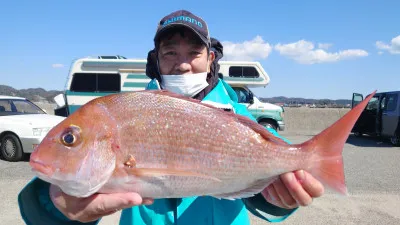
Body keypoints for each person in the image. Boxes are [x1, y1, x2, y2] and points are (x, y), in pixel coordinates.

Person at [18, 9, 324, 225]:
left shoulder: (240, 117)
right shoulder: (121, 111)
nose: (183, 65)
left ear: (210, 58)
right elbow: (49, 203)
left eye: (194, 53)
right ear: (156, 59)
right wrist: (56, 206)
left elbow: (272, 183)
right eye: (170, 53)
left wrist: (277, 197)